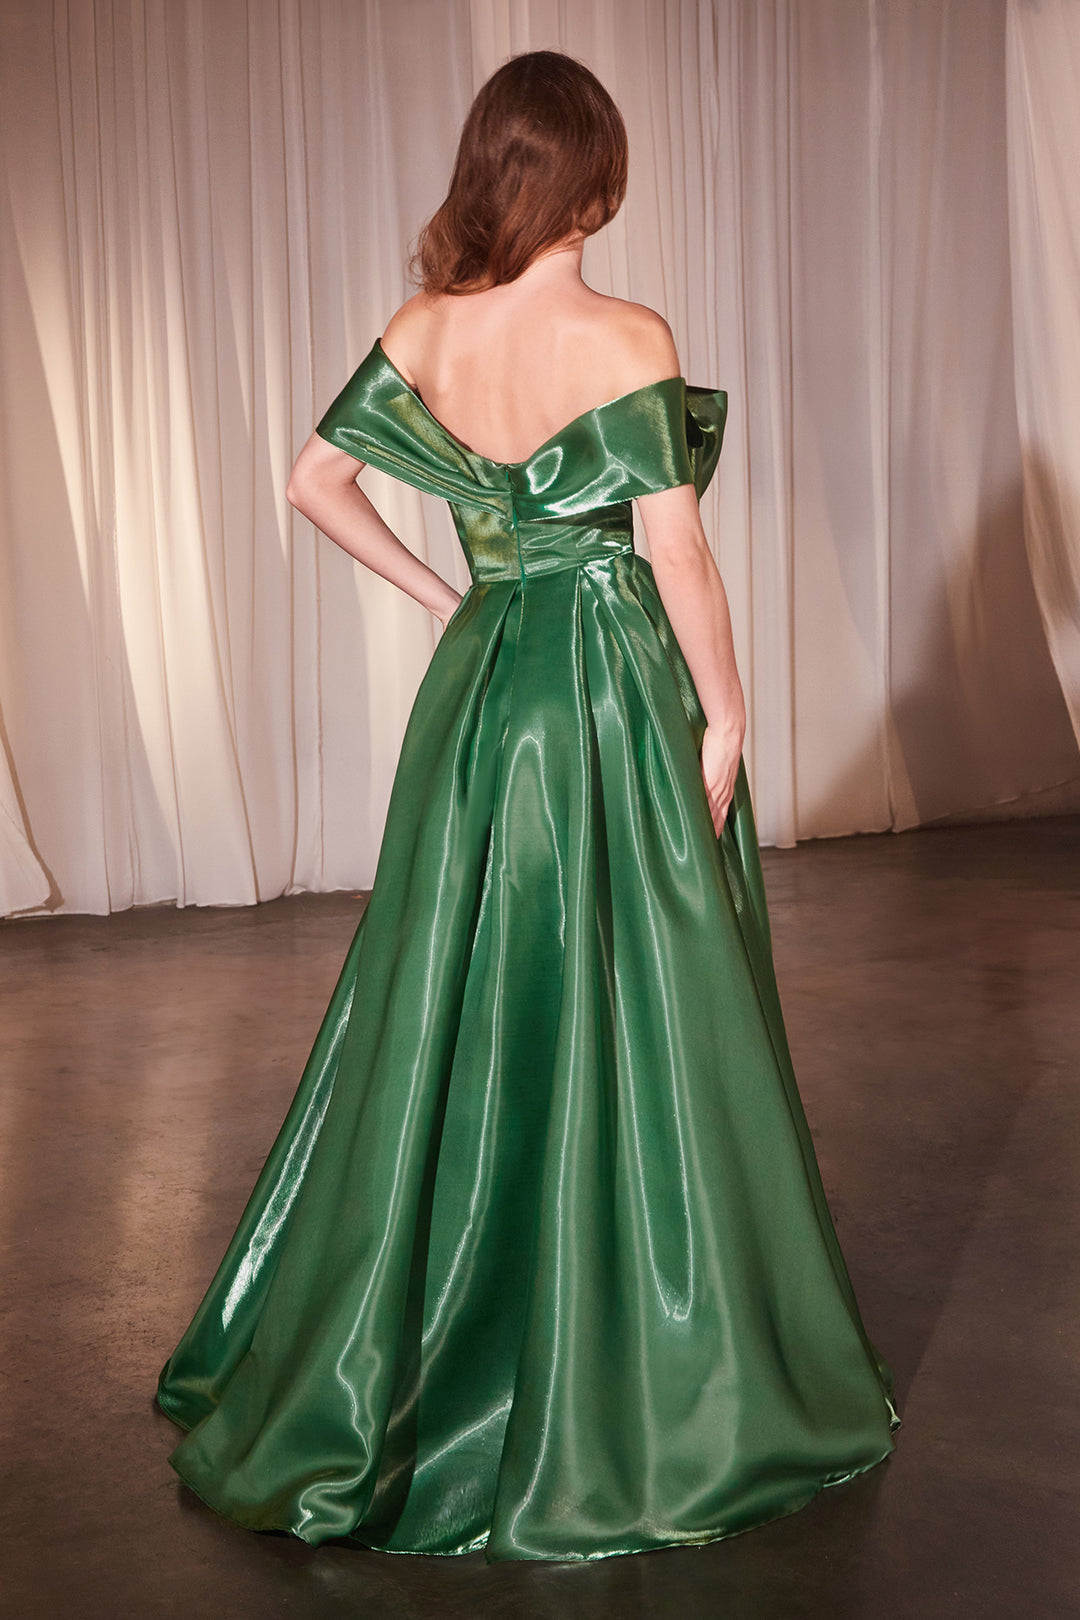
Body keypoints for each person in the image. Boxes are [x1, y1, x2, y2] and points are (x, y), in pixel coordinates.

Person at [156, 49, 898, 1563]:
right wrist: (729, 712)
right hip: (607, 685)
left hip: (485, 685)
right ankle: (641, 1348)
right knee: (639, 990)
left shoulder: (426, 326)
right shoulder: (624, 333)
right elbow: (674, 554)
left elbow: (310, 481)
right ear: (592, 175)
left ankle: (420, 1329)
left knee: (456, 987)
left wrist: (453, 596)